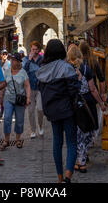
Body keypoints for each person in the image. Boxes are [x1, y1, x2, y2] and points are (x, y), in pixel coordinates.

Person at [36, 39, 80, 183]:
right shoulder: (66, 67)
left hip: (52, 111)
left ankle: (60, 177)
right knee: (72, 142)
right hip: (67, 110)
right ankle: (68, 175)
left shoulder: (42, 70)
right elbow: (74, 90)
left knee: (57, 142)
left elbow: (41, 90)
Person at [67, 45, 106, 173]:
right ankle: (82, 158)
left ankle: (81, 162)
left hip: (75, 104)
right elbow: (93, 89)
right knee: (89, 131)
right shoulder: (86, 68)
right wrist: (100, 102)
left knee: (78, 134)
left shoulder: (68, 69)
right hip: (88, 102)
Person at [0, 53, 31, 150]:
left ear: (18, 62)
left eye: (14, 60)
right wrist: (1, 96)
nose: (12, 61)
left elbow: (27, 86)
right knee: (7, 118)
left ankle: (18, 139)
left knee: (20, 120)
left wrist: (28, 98)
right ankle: (6, 140)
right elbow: (3, 84)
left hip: (20, 100)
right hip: (8, 99)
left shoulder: (23, 72)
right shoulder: (7, 72)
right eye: (11, 59)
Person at [23, 41, 44, 138]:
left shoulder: (42, 59)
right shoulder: (26, 59)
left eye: (36, 49)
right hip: (29, 88)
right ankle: (33, 130)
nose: (34, 51)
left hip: (40, 88)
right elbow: (24, 71)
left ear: (39, 50)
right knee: (31, 110)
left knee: (40, 109)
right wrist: (29, 60)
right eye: (32, 49)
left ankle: (40, 126)